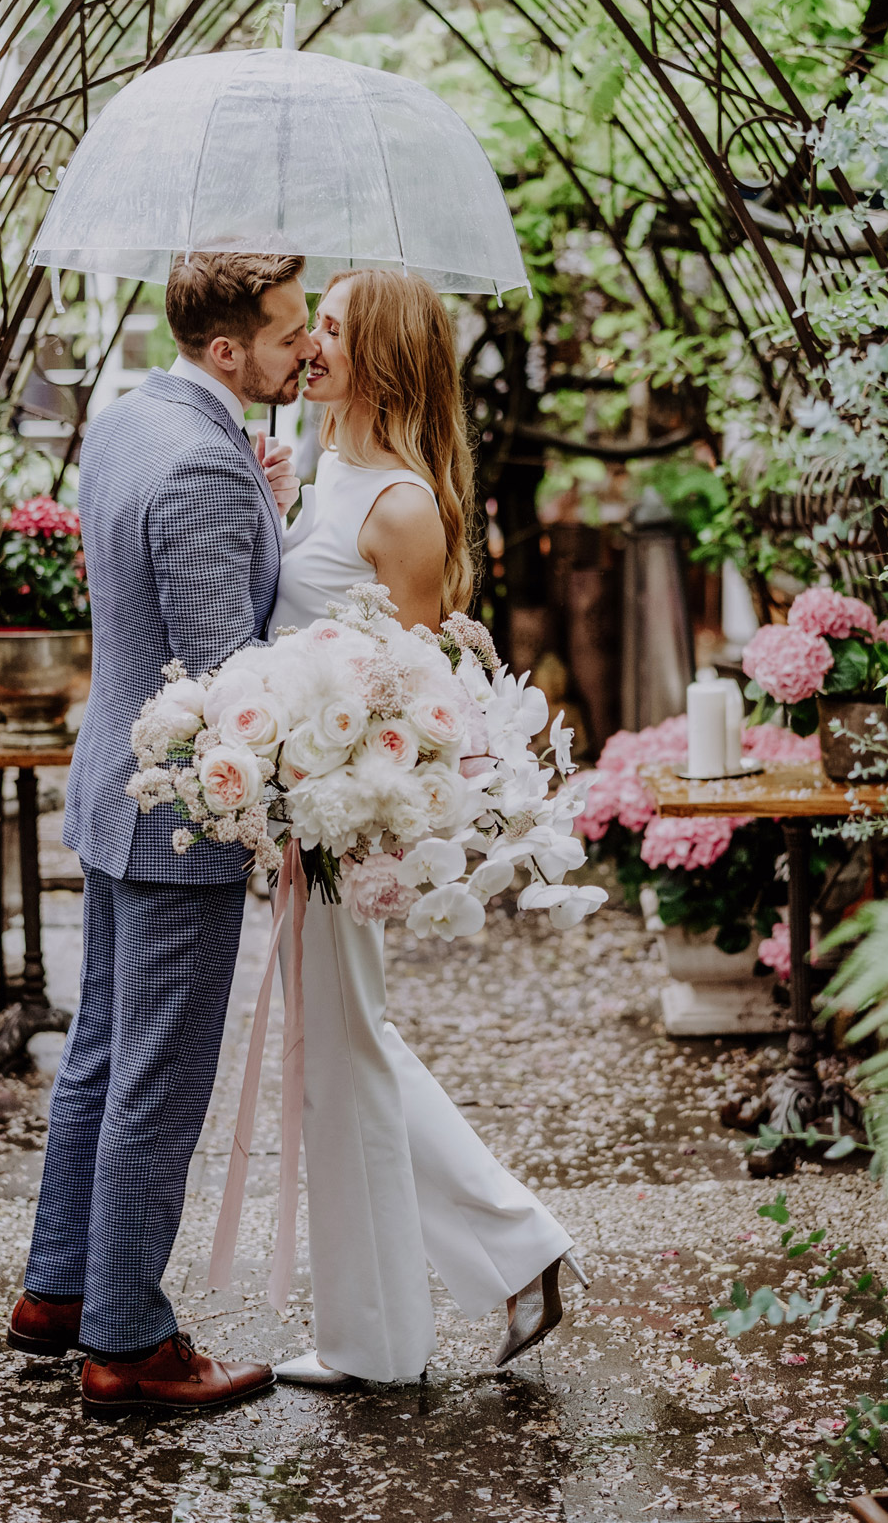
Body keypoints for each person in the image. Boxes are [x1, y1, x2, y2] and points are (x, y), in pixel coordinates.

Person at [264, 268, 587, 1390]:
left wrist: (337, 808)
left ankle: (394, 1329)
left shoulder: (400, 503)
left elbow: (408, 690)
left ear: (385, 357)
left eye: (334, 331)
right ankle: (501, 1260)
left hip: (343, 818)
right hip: (299, 809)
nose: (309, 345)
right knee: (346, 1050)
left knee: (342, 1053)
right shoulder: (324, 474)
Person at [9, 253, 310, 1419]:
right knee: (158, 1081)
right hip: (180, 816)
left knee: (98, 1057)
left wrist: (257, 490)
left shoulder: (137, 418)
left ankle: (60, 1291)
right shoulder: (201, 462)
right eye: (286, 336)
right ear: (228, 351)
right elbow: (225, 674)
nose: (304, 352)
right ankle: (129, 1341)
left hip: (110, 790)